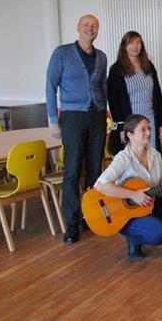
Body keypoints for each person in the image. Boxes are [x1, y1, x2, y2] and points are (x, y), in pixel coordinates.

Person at [94, 114, 162, 259]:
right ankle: (133, 237)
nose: (149, 133)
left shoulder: (155, 155)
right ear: (130, 135)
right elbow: (100, 185)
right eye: (143, 130)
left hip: (150, 206)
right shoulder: (123, 158)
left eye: (149, 129)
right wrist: (133, 195)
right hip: (126, 217)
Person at [45, 14, 108, 245]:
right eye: (86, 25)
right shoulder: (61, 53)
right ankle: (72, 223)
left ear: (97, 30)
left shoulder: (101, 57)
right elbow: (50, 87)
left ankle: (90, 215)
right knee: (72, 170)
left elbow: (102, 87)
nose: (90, 29)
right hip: (72, 117)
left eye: (94, 26)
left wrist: (105, 112)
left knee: (95, 168)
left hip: (98, 116)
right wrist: (53, 119)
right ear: (78, 28)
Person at [107, 30, 162, 154]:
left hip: (150, 119)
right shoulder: (116, 70)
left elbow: (157, 95)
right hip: (131, 122)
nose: (135, 46)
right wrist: (121, 127)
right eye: (131, 43)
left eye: (138, 43)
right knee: (135, 158)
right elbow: (113, 102)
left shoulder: (148, 66)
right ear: (124, 46)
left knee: (152, 156)